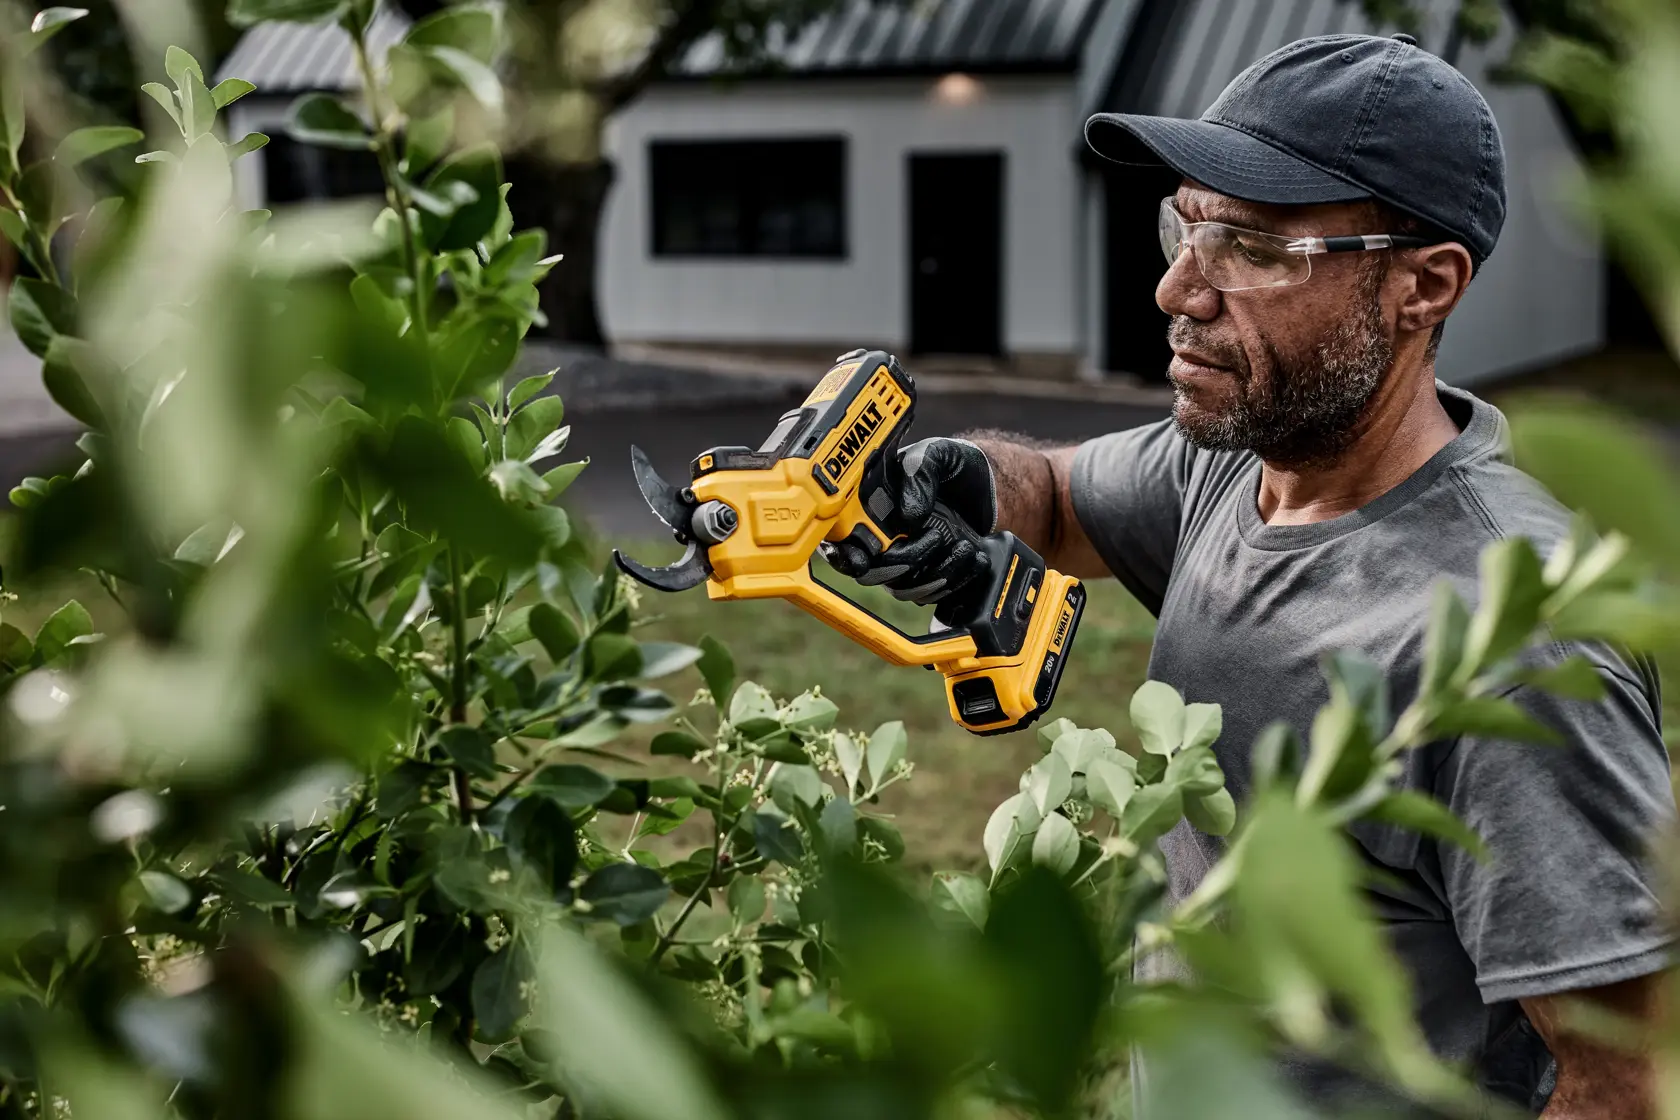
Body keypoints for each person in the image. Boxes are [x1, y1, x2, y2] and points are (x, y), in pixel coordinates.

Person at [827, 32, 1673, 1118]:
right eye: (1186, 224)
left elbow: (1629, 1082)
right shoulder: (1237, 463)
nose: (1179, 287)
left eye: (1255, 247)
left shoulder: (1512, 644)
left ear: (1424, 285)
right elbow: (1058, 492)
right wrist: (966, 486)